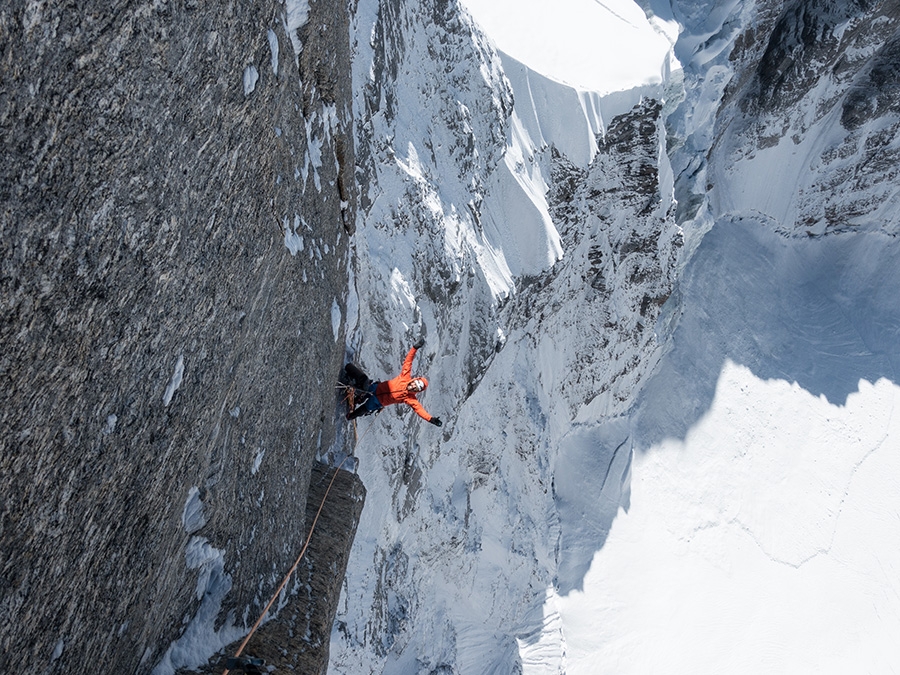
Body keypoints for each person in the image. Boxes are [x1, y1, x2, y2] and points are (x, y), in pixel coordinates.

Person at [344, 339, 443, 426]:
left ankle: (350, 415)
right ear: (414, 380)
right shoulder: (405, 377)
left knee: (364, 408)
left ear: (418, 390)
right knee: (364, 385)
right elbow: (408, 361)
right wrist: (414, 348)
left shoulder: (410, 398)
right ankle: (352, 384)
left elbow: (420, 410)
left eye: (417, 388)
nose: (414, 387)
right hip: (376, 388)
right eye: (415, 384)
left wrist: (431, 419)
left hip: (378, 401)